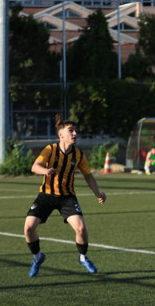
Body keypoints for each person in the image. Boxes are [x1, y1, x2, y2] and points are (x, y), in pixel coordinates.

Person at [24, 115, 106, 277]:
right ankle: (37, 257)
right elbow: (35, 166)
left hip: (67, 197)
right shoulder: (50, 150)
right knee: (28, 227)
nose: (74, 133)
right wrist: (45, 171)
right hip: (46, 195)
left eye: (75, 130)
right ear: (61, 134)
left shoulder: (79, 155)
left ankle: (83, 257)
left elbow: (88, 176)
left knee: (81, 228)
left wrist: (97, 194)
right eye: (71, 130)